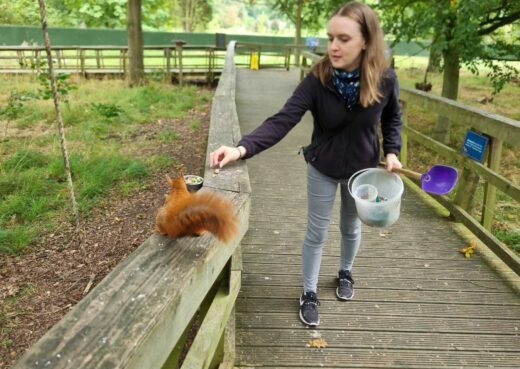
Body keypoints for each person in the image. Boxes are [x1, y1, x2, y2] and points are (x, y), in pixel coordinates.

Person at [209, 1, 403, 327]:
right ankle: (309, 292)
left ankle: (345, 273)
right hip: (322, 167)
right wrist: (241, 148)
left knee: (351, 227)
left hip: (362, 172)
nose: (333, 46)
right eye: (330, 38)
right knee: (316, 232)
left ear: (366, 41)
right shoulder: (318, 79)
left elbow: (393, 118)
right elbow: (283, 120)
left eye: (344, 38)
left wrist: (393, 151)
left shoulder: (385, 80)